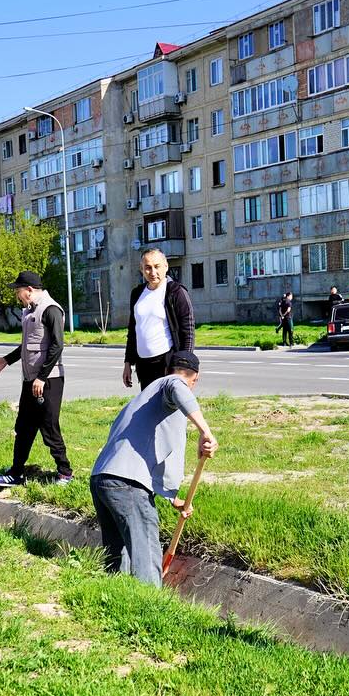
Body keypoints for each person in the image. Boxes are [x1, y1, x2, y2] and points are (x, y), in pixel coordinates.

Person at [90, 351, 218, 587]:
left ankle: (117, 604)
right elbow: (177, 386)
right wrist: (205, 431)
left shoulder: (146, 399)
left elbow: (147, 449)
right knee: (147, 557)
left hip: (102, 479)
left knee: (118, 562)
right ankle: (151, 611)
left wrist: (172, 498)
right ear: (195, 379)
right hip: (126, 484)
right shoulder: (173, 383)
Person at [0, 271, 73, 486]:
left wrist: (42, 378)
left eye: (18, 291)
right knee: (23, 426)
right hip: (31, 380)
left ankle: (65, 473)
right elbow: (27, 347)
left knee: (49, 427)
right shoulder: (29, 311)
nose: (17, 296)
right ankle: (16, 473)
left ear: (30, 290)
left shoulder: (50, 309)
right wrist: (6, 360)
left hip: (49, 381)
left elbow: (57, 345)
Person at [123, 249, 195, 390]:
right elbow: (133, 330)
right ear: (142, 269)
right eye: (148, 268)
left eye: (157, 266)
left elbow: (188, 331)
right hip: (143, 365)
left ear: (166, 266)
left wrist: (184, 366)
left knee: (169, 407)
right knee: (149, 408)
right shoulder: (137, 293)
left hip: (167, 363)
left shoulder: (176, 292)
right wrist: (128, 362)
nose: (153, 272)